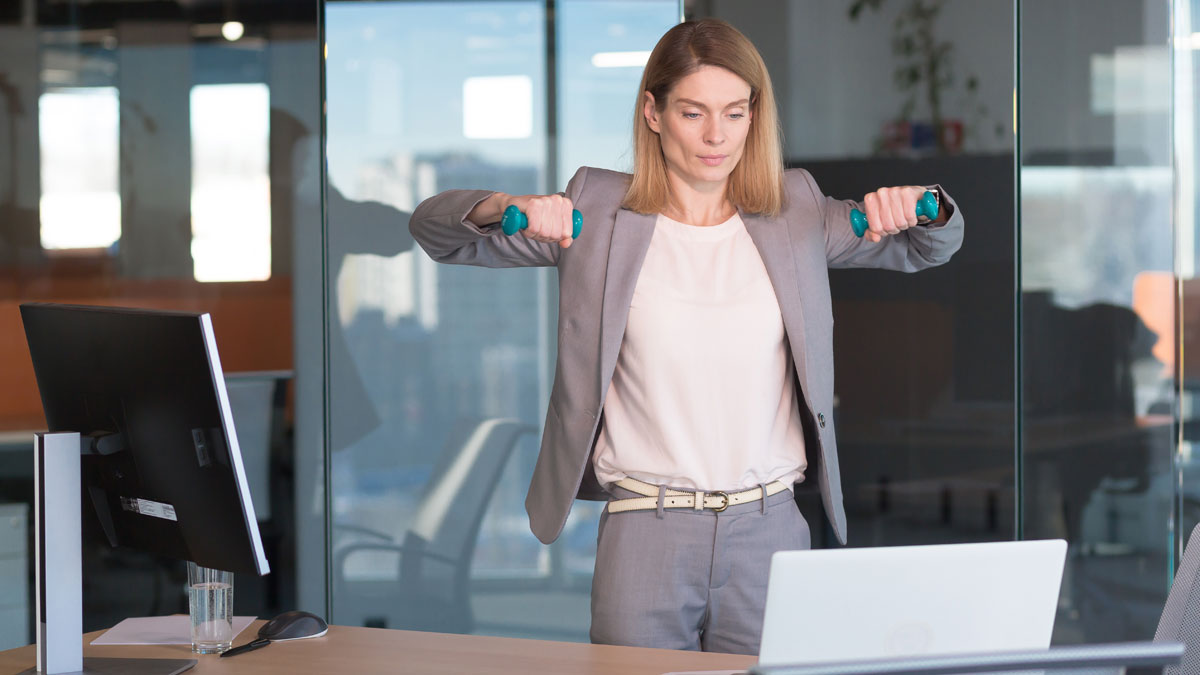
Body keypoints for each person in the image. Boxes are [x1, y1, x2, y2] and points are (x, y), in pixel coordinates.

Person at [410, 18, 964, 655]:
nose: (715, 136)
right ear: (653, 111)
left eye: (734, 112)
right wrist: (502, 206)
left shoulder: (798, 211)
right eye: (693, 112)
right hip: (647, 528)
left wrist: (928, 204)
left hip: (769, 530)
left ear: (755, 115)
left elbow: (928, 247)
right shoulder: (595, 215)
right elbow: (435, 232)